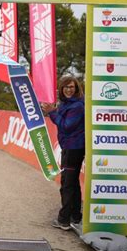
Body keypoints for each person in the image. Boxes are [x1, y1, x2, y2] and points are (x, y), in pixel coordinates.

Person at [41, 76, 85, 231]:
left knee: (67, 184)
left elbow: (66, 126)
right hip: (69, 147)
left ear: (77, 88)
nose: (69, 89)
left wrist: (52, 112)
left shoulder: (78, 106)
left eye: (72, 87)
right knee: (72, 183)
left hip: (75, 148)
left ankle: (64, 220)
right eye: (66, 87)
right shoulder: (67, 104)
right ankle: (75, 216)